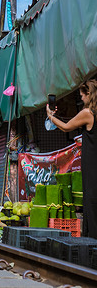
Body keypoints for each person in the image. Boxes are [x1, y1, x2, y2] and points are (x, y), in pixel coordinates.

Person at [46, 79, 97, 239]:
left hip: (92, 160)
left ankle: (93, 241)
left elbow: (66, 127)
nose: (81, 99)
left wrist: (50, 116)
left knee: (91, 198)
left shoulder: (88, 113)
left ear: (89, 94)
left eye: (82, 95)